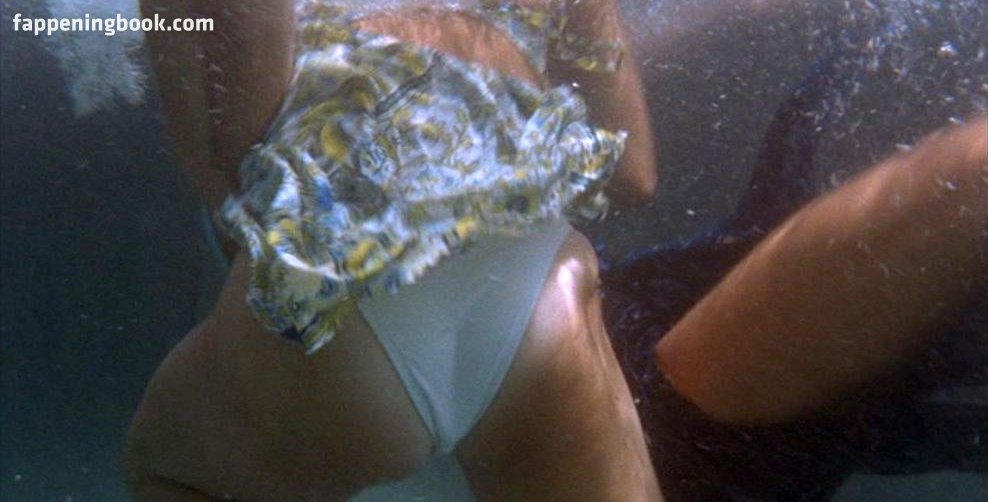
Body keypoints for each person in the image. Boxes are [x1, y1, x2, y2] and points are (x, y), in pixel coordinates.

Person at [126, 0, 661, 500]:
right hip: (541, 281)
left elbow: (240, 118)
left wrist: (241, 223)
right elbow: (632, 173)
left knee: (168, 475)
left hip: (346, 283)